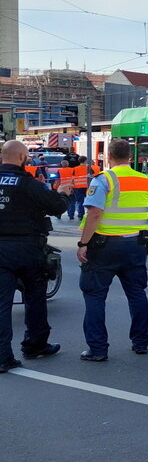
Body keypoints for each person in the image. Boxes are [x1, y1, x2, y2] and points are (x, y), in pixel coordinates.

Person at [76, 138, 148, 362]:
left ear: (109, 157)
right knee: (137, 294)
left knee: (95, 296)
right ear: (130, 157)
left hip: (104, 247)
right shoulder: (145, 180)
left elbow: (94, 214)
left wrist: (83, 243)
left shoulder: (104, 179)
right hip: (135, 246)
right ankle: (141, 342)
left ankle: (97, 349)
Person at [0, 141, 70, 373]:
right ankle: (35, 345)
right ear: (22, 157)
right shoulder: (28, 183)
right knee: (35, 297)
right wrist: (63, 195)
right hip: (28, 249)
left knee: (2, 304)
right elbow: (55, 207)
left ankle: (2, 356)